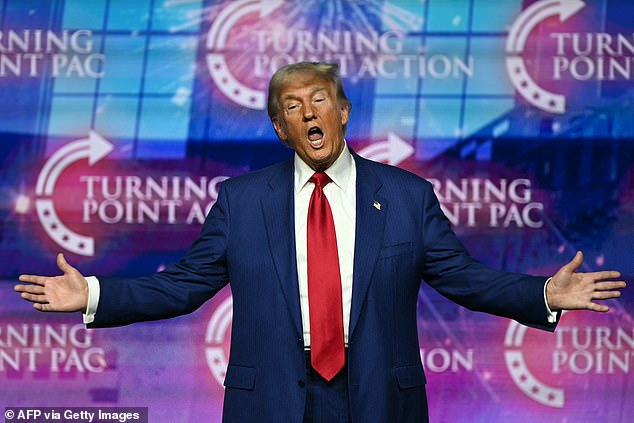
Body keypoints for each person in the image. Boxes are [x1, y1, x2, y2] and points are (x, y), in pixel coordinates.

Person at [15, 62, 626, 423]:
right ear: (281, 128)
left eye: (319, 100)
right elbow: (183, 286)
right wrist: (93, 295)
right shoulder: (242, 200)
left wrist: (543, 291)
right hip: (273, 397)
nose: (309, 112)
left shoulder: (408, 197)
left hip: (379, 397)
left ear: (342, 111)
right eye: (292, 106)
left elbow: (463, 277)